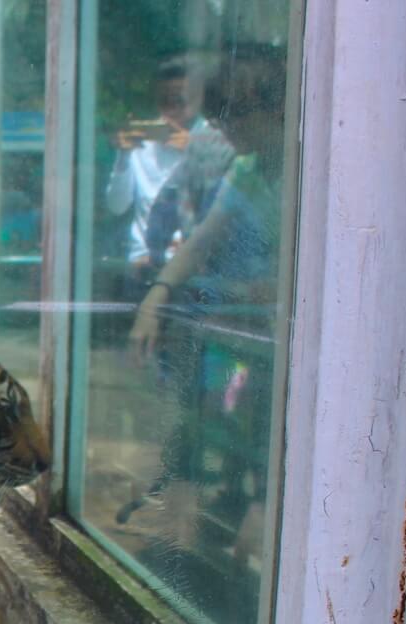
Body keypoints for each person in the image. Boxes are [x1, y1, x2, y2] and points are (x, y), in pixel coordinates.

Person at [117, 43, 288, 554]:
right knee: (218, 425)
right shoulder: (249, 169)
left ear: (277, 107)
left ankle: (249, 533)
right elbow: (201, 241)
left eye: (238, 114)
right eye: (222, 116)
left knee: (260, 442)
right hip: (241, 328)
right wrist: (157, 297)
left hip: (279, 340)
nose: (228, 129)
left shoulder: (310, 169)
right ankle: (214, 530)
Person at [105, 57, 228, 285]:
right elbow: (116, 206)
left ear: (197, 97)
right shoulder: (143, 143)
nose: (172, 108)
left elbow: (223, 204)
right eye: (165, 100)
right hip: (142, 265)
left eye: (179, 100)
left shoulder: (215, 140)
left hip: (194, 268)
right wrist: (123, 157)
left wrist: (194, 148)